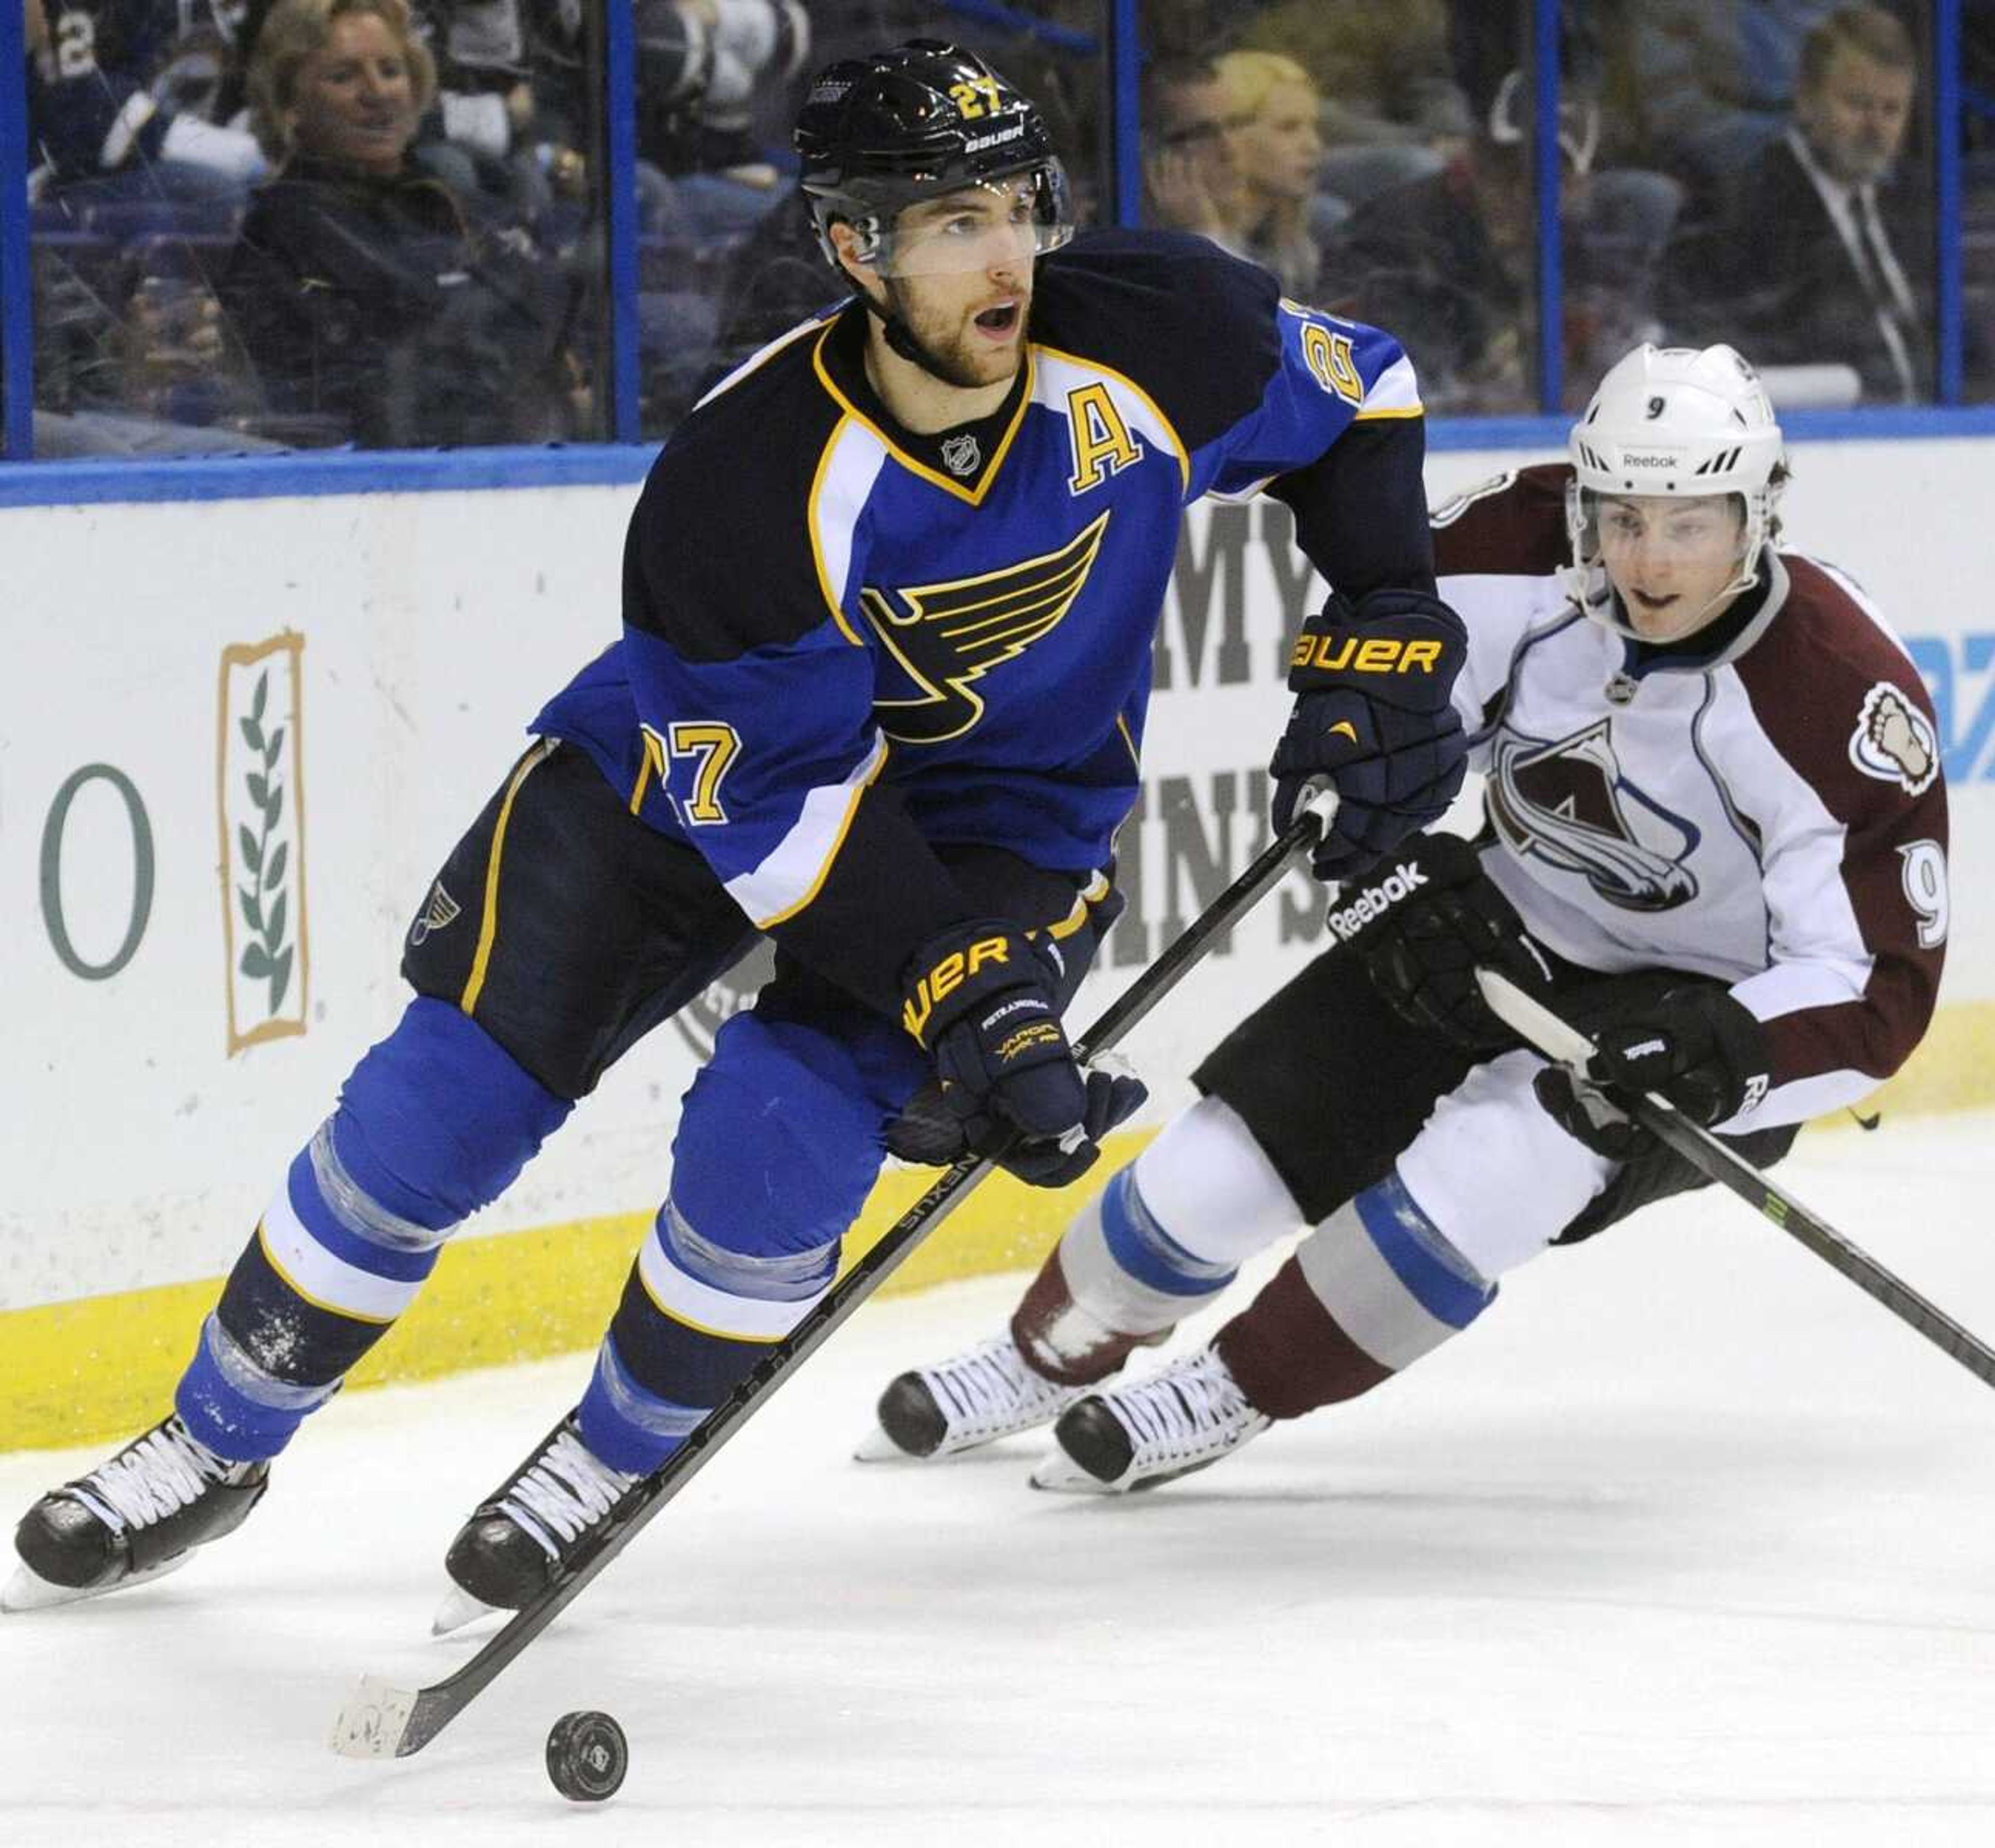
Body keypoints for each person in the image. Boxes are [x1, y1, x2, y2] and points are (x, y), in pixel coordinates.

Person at [7, 39, 1470, 1615]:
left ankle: (607, 1450)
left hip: (998, 816)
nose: (1002, 259)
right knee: (440, 1102)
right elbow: (790, 815)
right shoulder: (744, 480)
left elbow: (1362, 390)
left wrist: (1379, 618)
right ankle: (210, 1439)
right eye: (948, 223)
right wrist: (968, 992)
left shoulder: (1159, 332)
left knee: (774, 1134)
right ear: (854, 249)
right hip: (699, 772)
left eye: (1015, 209)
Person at [858, 341, 1949, 1495]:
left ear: (1757, 515)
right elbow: (1402, 727)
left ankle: (1234, 1387)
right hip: (1506, 924)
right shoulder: (1512, 551)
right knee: (1217, 1170)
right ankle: (1045, 1355)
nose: (1649, 559)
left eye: (1688, 524)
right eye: (1623, 517)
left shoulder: (1840, 697)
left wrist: (1721, 1052)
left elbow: (1875, 986)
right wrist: (1386, 859)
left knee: (1508, 1151)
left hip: (1703, 1010)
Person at [214, 0, 589, 448]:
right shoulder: (280, 231)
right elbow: (352, 397)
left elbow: (551, 326)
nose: (377, 93)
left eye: (391, 71)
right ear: (290, 105)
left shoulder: (450, 205)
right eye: (344, 76)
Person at [1664, 5, 1930, 404]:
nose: (1876, 127)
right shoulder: (1739, 208)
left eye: (1891, 109)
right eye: (1857, 104)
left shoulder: (1910, 211)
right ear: (1807, 98)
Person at [1212, 49, 1326, 302]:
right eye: (1289, 128)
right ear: (1230, 135)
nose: (1313, 145)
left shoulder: (1302, 246)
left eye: (1314, 126)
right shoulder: (1186, 238)